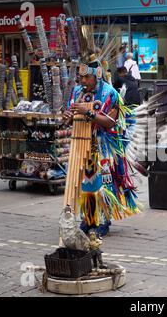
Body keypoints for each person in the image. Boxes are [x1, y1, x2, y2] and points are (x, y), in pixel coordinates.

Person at [63, 55, 141, 237]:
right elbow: (70, 117)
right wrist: (67, 117)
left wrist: (88, 112)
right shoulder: (76, 92)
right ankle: (88, 218)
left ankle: (104, 220)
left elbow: (111, 122)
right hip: (82, 143)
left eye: (86, 77)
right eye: (81, 77)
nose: (83, 81)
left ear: (96, 76)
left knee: (104, 184)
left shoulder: (110, 93)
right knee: (86, 184)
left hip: (104, 144)